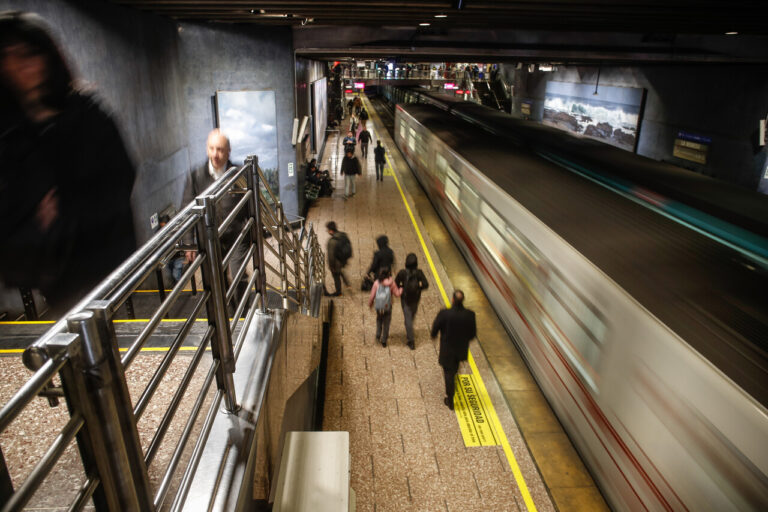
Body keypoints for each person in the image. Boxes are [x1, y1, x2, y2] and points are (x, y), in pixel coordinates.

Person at [0, 12, 136, 316]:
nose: (15, 66)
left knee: (96, 324)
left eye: (25, 55)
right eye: (6, 56)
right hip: (52, 269)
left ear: (46, 57)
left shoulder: (86, 116)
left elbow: (120, 179)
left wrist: (60, 210)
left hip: (98, 259)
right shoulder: (13, 132)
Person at [182, 128, 249, 304]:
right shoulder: (196, 176)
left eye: (220, 149)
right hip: (210, 238)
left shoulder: (239, 173)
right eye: (211, 148)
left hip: (236, 235)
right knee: (217, 280)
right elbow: (187, 209)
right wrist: (188, 243)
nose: (215, 154)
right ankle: (228, 312)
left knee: (239, 275)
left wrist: (252, 228)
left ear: (228, 151)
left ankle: (243, 312)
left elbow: (250, 202)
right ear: (207, 149)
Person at [430, 290, 476, 410]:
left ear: (453, 300)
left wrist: (434, 335)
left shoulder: (444, 314)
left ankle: (450, 398)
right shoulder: (470, 315)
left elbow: (435, 328)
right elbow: (472, 334)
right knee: (454, 369)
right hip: (461, 349)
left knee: (448, 373)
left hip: (447, 349)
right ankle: (451, 388)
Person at [395, 253, 429, 350]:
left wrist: (402, 287)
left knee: (407, 320)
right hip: (416, 298)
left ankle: (411, 341)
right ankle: (409, 329)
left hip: (405, 299)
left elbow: (396, 283)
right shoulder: (419, 273)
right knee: (411, 315)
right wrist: (418, 288)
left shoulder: (402, 273)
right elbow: (426, 284)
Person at [368, 267, 401, 347]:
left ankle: (378, 335)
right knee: (386, 322)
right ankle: (384, 340)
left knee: (379, 319)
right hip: (388, 306)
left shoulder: (376, 283)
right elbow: (397, 294)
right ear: (389, 274)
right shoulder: (391, 283)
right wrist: (401, 289)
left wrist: (370, 304)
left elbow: (372, 296)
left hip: (379, 306)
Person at [324, 221, 351, 296]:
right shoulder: (343, 235)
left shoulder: (332, 241)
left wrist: (331, 266)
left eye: (328, 230)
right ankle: (347, 284)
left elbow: (331, 256)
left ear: (331, 230)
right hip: (343, 259)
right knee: (340, 270)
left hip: (336, 262)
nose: (327, 231)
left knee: (336, 276)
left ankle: (338, 292)